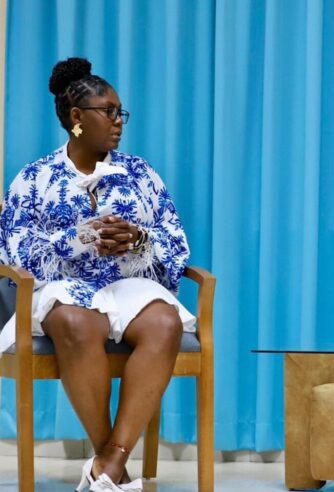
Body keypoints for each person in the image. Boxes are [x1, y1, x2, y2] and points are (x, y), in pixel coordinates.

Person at [0, 58, 196, 491]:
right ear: (76, 118)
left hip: (127, 283)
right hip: (61, 289)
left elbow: (177, 242)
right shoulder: (35, 179)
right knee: (77, 320)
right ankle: (114, 467)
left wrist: (138, 239)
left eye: (119, 112)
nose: (117, 121)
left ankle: (109, 463)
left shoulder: (140, 173)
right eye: (107, 111)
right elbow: (16, 253)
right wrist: (80, 239)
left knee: (164, 322)